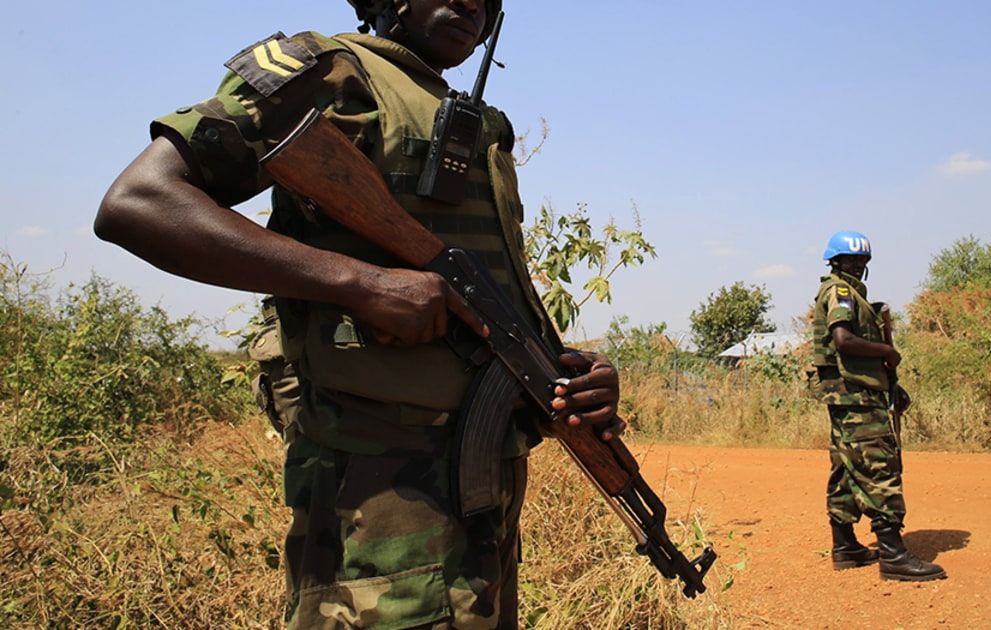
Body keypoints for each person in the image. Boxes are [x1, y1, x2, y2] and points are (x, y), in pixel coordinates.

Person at [94, 1, 626, 627]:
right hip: (377, 483)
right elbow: (140, 201)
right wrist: (361, 283)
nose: (472, 2)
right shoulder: (329, 71)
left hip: (481, 486)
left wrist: (566, 371)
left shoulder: (478, 124)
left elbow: (492, 295)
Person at [809, 230, 946, 582]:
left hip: (850, 394)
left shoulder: (850, 292)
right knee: (879, 466)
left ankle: (846, 546)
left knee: (846, 467)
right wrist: (887, 352)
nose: (857, 266)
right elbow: (843, 340)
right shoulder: (840, 292)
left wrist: (892, 384)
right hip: (856, 396)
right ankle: (893, 554)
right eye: (851, 260)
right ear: (835, 262)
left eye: (863, 261)